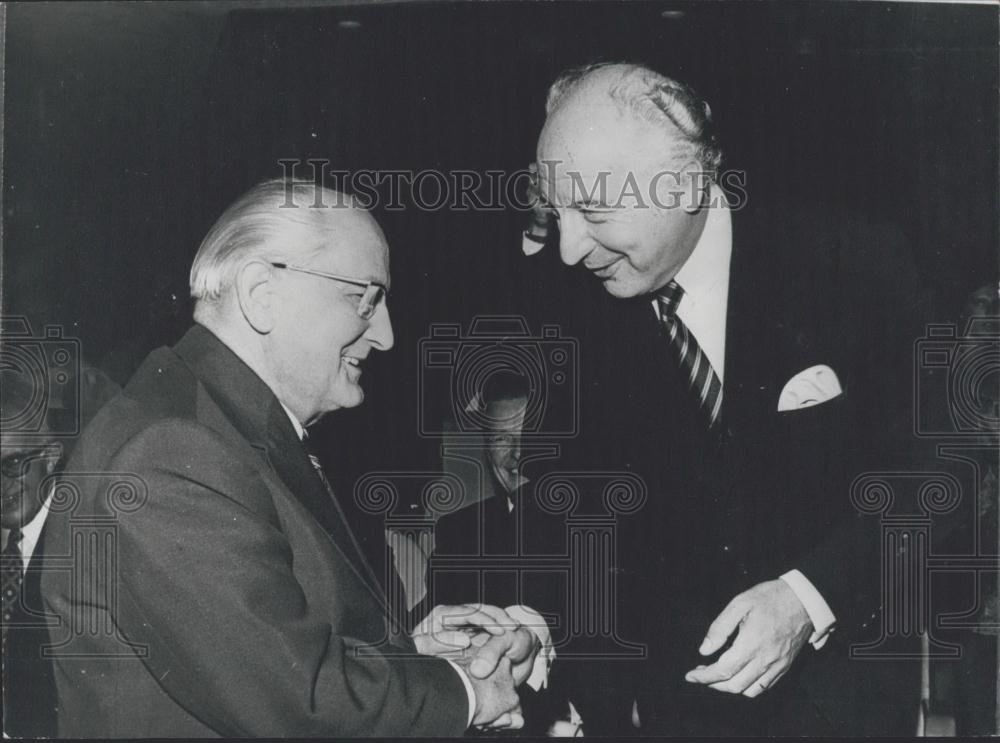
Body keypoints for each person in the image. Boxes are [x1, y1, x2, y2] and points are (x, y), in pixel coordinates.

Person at [40, 178, 538, 737]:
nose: (387, 335)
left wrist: (410, 654)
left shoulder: (210, 424)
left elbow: (266, 653)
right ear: (261, 293)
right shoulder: (172, 451)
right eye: (366, 298)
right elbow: (297, 703)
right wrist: (467, 691)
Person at [527, 62, 927, 735]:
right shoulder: (566, 308)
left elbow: (943, 471)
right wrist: (538, 622)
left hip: (844, 704)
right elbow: (569, 505)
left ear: (687, 182)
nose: (568, 249)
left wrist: (808, 596)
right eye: (554, 210)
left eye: (592, 212)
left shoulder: (852, 262)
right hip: (677, 710)